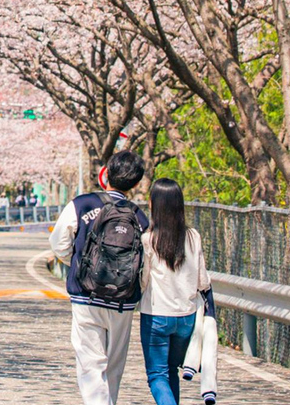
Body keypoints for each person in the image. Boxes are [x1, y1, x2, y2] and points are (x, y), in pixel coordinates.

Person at [49, 151, 149, 405]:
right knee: (114, 366)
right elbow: (146, 262)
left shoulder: (82, 204)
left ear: (106, 174)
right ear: (136, 183)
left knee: (90, 363)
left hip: (86, 295)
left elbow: (59, 243)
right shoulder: (139, 217)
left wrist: (77, 265)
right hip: (123, 301)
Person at [140, 178, 211, 405]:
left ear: (154, 204)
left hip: (157, 316)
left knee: (157, 375)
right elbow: (202, 280)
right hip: (186, 318)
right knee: (171, 371)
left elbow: (142, 281)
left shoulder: (148, 239)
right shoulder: (193, 237)